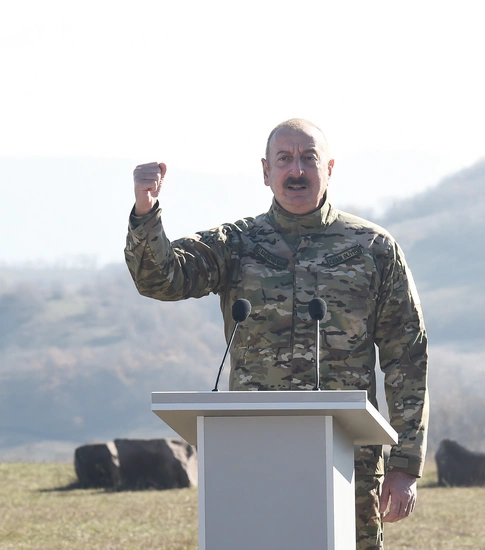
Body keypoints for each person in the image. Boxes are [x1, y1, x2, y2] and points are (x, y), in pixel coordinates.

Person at [125, 118, 428, 550]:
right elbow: (161, 279)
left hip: (348, 462)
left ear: (330, 167)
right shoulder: (236, 244)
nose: (296, 170)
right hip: (252, 455)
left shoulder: (373, 249)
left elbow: (408, 357)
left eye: (308, 158)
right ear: (266, 171)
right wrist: (145, 214)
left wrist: (404, 465)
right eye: (284, 159)